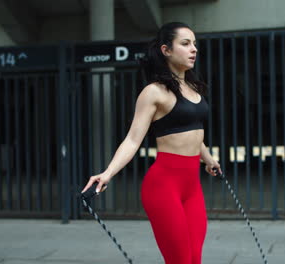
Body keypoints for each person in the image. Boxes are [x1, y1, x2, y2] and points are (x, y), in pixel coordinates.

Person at [81, 22, 221, 264]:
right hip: (164, 186)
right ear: (166, 50)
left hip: (192, 187)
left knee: (194, 259)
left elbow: (193, 134)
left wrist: (208, 160)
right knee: (180, 260)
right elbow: (133, 140)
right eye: (185, 44)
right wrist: (107, 173)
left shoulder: (193, 88)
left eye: (195, 44)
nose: (194, 49)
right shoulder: (153, 92)